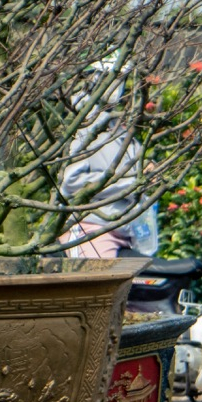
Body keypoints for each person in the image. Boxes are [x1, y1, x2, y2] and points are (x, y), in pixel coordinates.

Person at [61, 58, 147, 259]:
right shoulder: (85, 127)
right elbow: (71, 182)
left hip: (127, 231)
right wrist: (130, 184)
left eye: (122, 78)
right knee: (93, 287)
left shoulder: (122, 130)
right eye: (115, 77)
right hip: (90, 230)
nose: (121, 86)